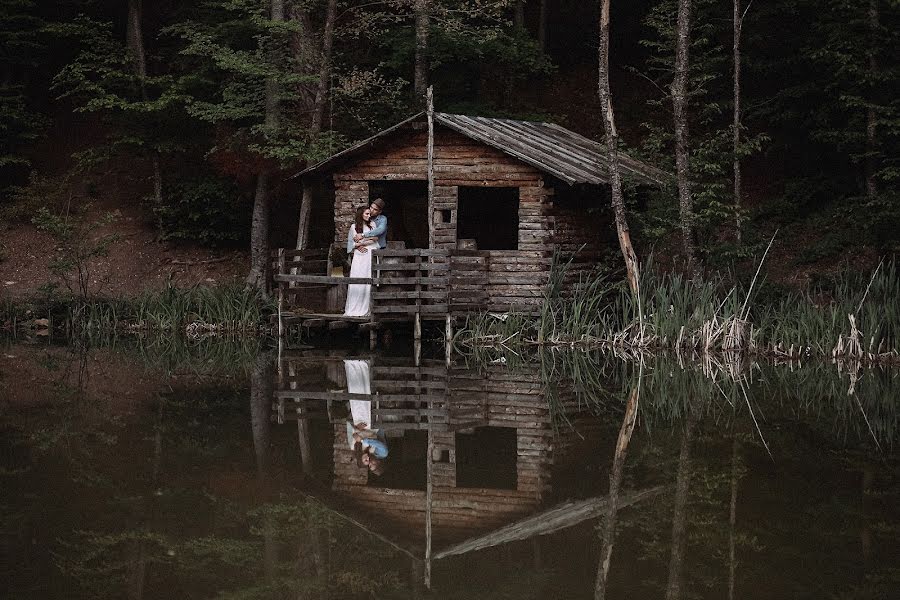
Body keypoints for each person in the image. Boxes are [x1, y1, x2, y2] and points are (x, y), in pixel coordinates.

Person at [344, 206, 378, 316]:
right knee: (357, 278)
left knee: (368, 278)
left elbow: (375, 238)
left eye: (369, 214)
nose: (369, 216)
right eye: (366, 214)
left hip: (370, 255)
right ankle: (354, 308)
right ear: (361, 215)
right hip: (360, 256)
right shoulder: (354, 227)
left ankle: (367, 307)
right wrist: (357, 245)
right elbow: (350, 244)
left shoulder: (372, 225)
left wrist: (361, 242)